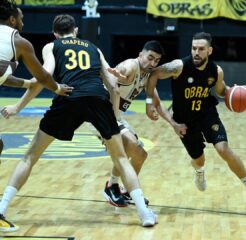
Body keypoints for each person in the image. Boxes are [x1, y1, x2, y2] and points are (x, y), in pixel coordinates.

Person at [0, 14, 157, 232]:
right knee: (121, 158)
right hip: (97, 99)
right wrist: (112, 117)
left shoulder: (51, 46)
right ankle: (144, 214)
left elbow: (45, 76)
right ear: (75, 30)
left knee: (30, 156)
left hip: (68, 97)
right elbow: (112, 82)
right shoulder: (93, 47)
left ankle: (2, 207)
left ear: (55, 33)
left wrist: (18, 107)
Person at [145, 32, 246, 208]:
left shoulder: (216, 71)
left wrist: (238, 92)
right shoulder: (178, 67)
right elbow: (153, 75)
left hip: (207, 114)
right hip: (185, 121)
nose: (196, 52)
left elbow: (221, 90)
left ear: (209, 50)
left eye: (201, 49)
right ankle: (199, 171)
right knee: (199, 159)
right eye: (194, 48)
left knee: (223, 148)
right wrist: (149, 102)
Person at [95, 40, 186, 207]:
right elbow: (121, 71)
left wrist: (174, 124)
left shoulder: (148, 76)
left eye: (157, 60)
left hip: (116, 116)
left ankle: (127, 190)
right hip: (100, 114)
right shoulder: (130, 66)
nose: (152, 63)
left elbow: (157, 103)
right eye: (150, 58)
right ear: (141, 55)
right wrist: (117, 74)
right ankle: (112, 187)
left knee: (140, 155)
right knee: (129, 144)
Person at [0, 0, 71, 165]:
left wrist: (27, 84)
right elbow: (44, 77)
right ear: (12, 20)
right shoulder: (19, 42)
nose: (23, 23)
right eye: (21, 18)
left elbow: (2, 77)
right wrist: (57, 88)